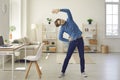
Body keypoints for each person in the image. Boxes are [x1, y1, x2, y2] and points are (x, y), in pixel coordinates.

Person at [52, 8, 87, 78]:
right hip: (73, 42)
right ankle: (62, 72)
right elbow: (60, 37)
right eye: (60, 22)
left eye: (61, 20)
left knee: (82, 56)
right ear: (60, 25)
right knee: (68, 57)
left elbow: (68, 11)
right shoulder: (62, 28)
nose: (62, 21)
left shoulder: (69, 20)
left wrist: (59, 10)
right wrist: (68, 40)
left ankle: (83, 72)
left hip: (80, 40)